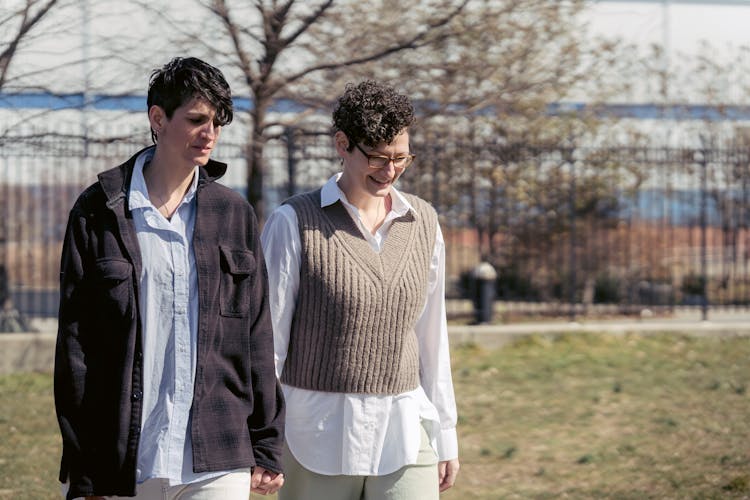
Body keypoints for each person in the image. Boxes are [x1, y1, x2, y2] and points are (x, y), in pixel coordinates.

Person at [54, 57, 284, 500]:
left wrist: (266, 442)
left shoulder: (234, 215)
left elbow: (256, 335)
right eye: (196, 119)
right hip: (121, 456)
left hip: (218, 454)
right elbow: (75, 349)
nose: (210, 134)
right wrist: (86, 464)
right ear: (157, 118)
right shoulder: (100, 211)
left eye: (217, 122)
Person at [261, 80, 459, 500]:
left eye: (401, 158)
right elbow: (269, 342)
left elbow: (431, 336)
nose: (389, 171)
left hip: (404, 429)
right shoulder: (293, 222)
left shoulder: (423, 222)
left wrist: (446, 433)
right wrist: (261, 437)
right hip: (316, 434)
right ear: (342, 144)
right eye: (376, 158)